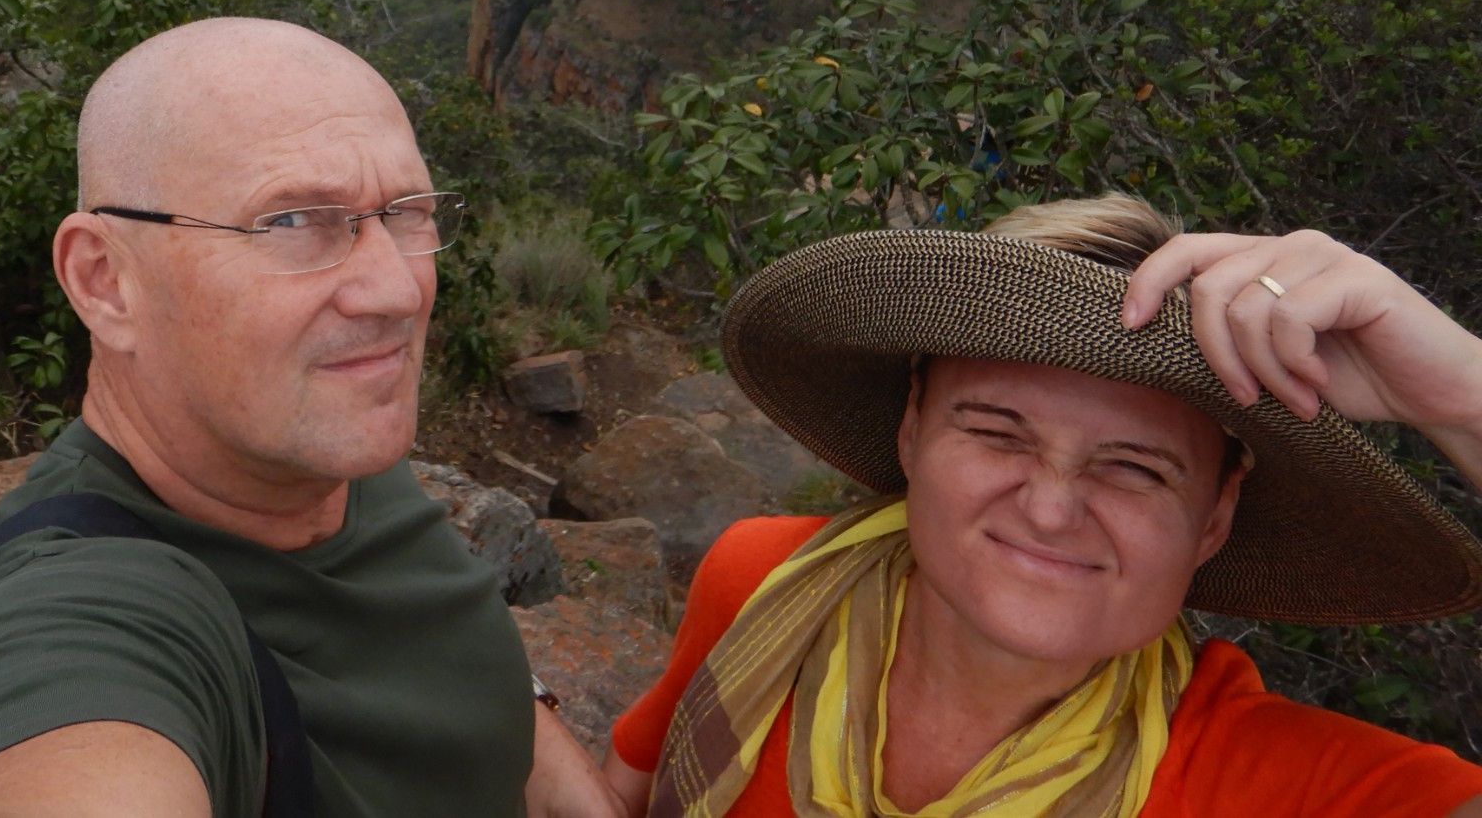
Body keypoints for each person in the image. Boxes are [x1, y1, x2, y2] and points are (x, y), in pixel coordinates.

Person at [0, 18, 622, 817]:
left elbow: (417, 623)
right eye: (291, 221)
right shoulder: (86, 618)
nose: (398, 291)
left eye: (407, 210)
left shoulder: (310, 444)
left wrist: (531, 726)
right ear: (104, 281)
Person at [603, 194, 1482, 818]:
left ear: (1215, 516)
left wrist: (1465, 396)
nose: (1053, 509)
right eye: (997, 432)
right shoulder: (765, 580)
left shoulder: (1289, 786)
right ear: (913, 431)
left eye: (1135, 468)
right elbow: (622, 797)